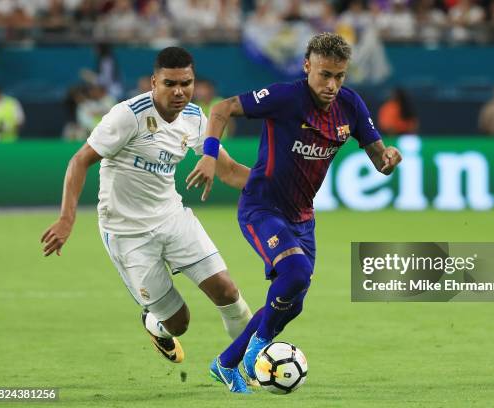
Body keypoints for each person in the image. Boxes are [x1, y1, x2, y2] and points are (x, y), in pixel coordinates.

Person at [188, 33, 402, 393]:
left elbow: (380, 159)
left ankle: (225, 364)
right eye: (324, 75)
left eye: (339, 76)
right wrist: (210, 155)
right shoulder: (285, 97)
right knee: (296, 272)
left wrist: (390, 158)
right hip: (261, 207)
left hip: (303, 217)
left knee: (291, 303)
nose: (332, 84)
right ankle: (258, 347)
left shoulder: (350, 105)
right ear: (307, 67)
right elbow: (221, 109)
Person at [41, 47, 253, 365]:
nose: (180, 91)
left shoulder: (195, 118)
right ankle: (155, 324)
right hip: (127, 233)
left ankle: (249, 362)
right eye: (170, 83)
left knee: (227, 291)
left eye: (187, 83)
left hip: (172, 217)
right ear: (154, 82)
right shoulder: (127, 116)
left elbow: (230, 170)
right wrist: (66, 218)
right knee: (178, 322)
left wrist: (280, 190)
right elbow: (80, 161)